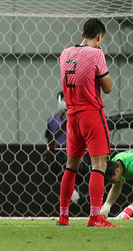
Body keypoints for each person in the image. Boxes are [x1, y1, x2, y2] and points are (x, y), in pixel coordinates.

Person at [56, 18, 118, 227]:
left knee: (71, 166)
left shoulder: (65, 53)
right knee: (98, 164)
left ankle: (64, 216)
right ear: (100, 37)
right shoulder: (96, 53)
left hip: (71, 116)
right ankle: (95, 217)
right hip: (91, 114)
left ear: (83, 35)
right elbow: (107, 87)